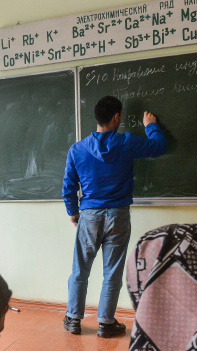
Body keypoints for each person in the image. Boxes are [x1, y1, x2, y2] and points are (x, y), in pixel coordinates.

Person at [62, 96, 167, 338]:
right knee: (112, 271)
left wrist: (73, 211)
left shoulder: (78, 149)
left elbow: (69, 186)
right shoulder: (127, 142)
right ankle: (106, 323)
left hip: (89, 215)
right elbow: (159, 147)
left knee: (80, 269)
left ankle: (73, 319)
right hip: (118, 216)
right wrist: (150, 126)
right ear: (117, 117)